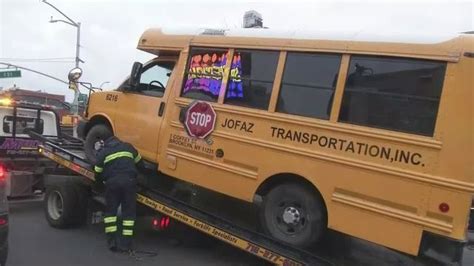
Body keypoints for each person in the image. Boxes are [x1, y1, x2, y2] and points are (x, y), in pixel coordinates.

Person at [93, 136, 142, 252]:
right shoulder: (128, 147)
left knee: (110, 214)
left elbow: (97, 171)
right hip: (129, 183)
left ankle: (112, 242)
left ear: (106, 143)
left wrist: (99, 185)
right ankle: (126, 245)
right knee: (128, 215)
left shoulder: (104, 152)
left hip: (112, 184)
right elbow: (140, 163)